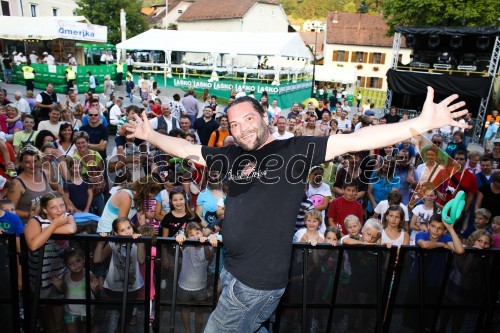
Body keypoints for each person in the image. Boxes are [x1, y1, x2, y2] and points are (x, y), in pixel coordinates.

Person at [124, 86, 469, 332]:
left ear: (264, 117)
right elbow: (189, 150)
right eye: (234, 124)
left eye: (248, 119)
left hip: (256, 283)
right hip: (232, 270)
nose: (241, 128)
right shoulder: (231, 157)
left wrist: (420, 125)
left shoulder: (295, 150)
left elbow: (357, 140)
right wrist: (149, 135)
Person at [24, 191, 77, 333]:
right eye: (53, 207)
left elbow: (71, 229)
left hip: (59, 275)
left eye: (61, 205)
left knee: (59, 324)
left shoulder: (67, 217)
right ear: (45, 209)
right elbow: (34, 245)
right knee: (50, 326)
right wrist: (54, 226)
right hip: (40, 278)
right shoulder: (35, 221)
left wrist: (46, 230)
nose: (60, 210)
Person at [93, 217, 144, 333]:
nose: (127, 232)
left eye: (129, 228)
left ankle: (120, 329)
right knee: (119, 313)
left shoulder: (137, 242)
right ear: (115, 233)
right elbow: (97, 259)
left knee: (127, 315)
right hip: (114, 286)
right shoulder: (113, 243)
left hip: (132, 286)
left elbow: (141, 260)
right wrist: (100, 244)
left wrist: (140, 244)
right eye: (122, 230)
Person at [8, 147, 72, 223]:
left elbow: (57, 187)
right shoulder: (16, 184)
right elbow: (8, 210)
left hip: (50, 222)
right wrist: (29, 214)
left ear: (39, 161)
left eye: (35, 161)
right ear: (21, 163)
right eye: (27, 162)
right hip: (29, 226)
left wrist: (68, 204)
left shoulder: (45, 173)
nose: (32, 165)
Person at [175, 222, 215, 333]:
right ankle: (187, 331)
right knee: (185, 308)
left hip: (201, 287)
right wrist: (180, 236)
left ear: (202, 233)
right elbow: (180, 241)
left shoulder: (206, 246)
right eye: (191, 235)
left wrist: (206, 243)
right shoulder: (187, 246)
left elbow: (208, 256)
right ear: (187, 237)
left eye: (197, 233)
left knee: (199, 311)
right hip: (184, 285)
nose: (195, 236)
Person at [49, 246, 98, 333]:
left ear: (84, 259)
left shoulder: (89, 275)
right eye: (71, 264)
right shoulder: (66, 276)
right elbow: (62, 291)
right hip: (70, 310)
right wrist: (58, 286)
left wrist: (94, 288)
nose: (75, 265)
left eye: (78, 261)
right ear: (67, 266)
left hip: (86, 310)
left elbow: (96, 291)